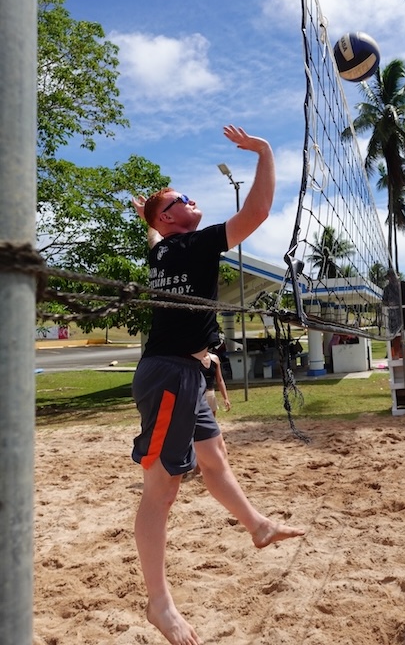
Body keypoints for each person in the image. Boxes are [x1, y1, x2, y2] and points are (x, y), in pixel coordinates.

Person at [131, 125, 304, 645]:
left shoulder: (161, 251)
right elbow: (258, 213)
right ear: (171, 218)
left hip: (186, 371)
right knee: (161, 492)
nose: (192, 199)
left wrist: (145, 212)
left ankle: (258, 525)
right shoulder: (197, 245)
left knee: (215, 458)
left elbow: (153, 233)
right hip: (169, 374)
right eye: (182, 199)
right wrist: (265, 152)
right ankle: (158, 603)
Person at [382, 270, 405, 359]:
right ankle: (396, 354)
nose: (391, 278)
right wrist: (389, 304)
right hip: (394, 314)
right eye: (390, 276)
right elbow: (384, 301)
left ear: (397, 276)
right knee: (396, 334)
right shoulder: (387, 288)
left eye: (393, 275)